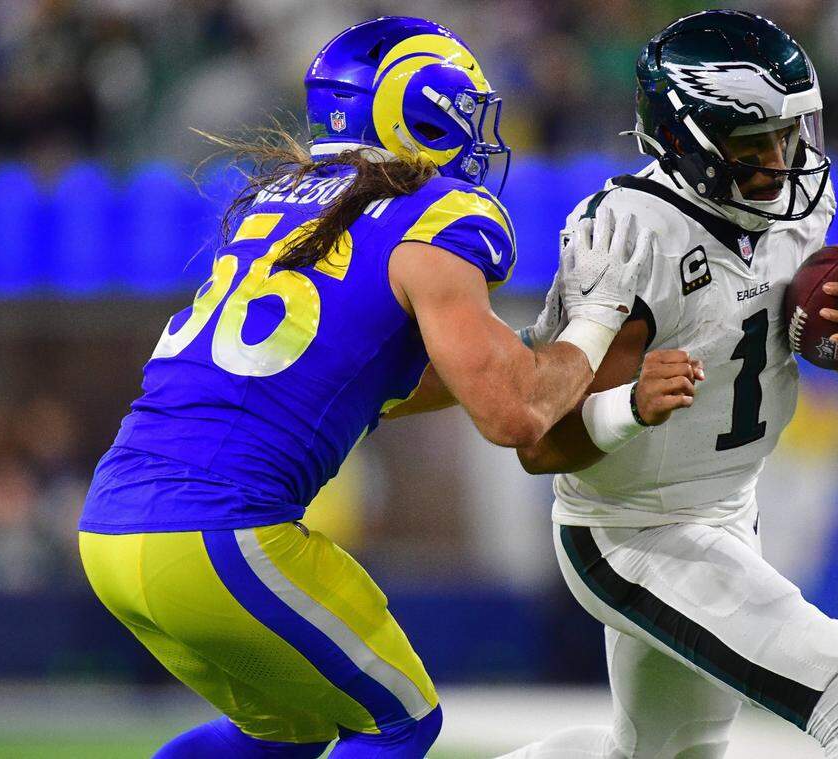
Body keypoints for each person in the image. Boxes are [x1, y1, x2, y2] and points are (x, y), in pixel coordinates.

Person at [76, 16, 690, 759]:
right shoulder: (436, 215)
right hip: (222, 532)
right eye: (465, 113)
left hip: (111, 528)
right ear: (418, 111)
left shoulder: (281, 204)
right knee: (400, 720)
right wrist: (595, 320)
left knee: (286, 731)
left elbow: (381, 381)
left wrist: (524, 354)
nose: (477, 134)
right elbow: (515, 413)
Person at [505, 11, 838, 759]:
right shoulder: (629, 236)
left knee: (664, 752)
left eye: (787, 135)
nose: (781, 161)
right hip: (629, 529)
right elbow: (542, 442)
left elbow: (836, 349)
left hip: (729, 508)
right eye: (752, 143)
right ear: (685, 143)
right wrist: (628, 406)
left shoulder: (800, 209)